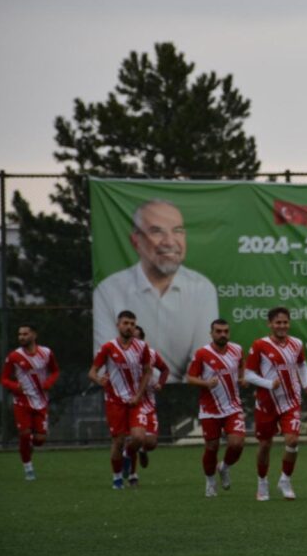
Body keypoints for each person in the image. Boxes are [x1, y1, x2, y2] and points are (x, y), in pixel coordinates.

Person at [93, 199, 218, 382]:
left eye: (177, 231)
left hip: (185, 401)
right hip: (130, 397)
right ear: (135, 241)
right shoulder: (108, 291)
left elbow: (203, 364)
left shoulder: (202, 289)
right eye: (156, 231)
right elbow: (107, 362)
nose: (169, 242)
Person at [244, 307, 307, 502]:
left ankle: (285, 479)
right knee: (265, 445)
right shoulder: (259, 345)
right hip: (267, 403)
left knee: (292, 441)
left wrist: (305, 383)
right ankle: (262, 482)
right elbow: (248, 374)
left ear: (289, 323)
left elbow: (301, 364)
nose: (282, 326)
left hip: (291, 401)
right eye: (278, 322)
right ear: (270, 324)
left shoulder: (297, 343)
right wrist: (268, 384)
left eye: (285, 322)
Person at [89, 311, 153, 490]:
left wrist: (139, 395)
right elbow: (92, 372)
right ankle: (117, 478)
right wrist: (98, 380)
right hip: (115, 401)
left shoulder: (142, 347)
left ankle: (127, 453)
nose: (129, 326)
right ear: (118, 325)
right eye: (126, 323)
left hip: (135, 401)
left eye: (132, 323)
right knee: (117, 441)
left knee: (139, 438)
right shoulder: (108, 347)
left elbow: (147, 371)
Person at [186, 319, 246, 498]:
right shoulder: (203, 353)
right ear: (211, 333)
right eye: (218, 331)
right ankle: (210, 481)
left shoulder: (237, 350)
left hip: (233, 407)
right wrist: (205, 383)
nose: (222, 335)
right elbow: (190, 378)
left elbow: (242, 364)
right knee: (212, 447)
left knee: (237, 443)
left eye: (226, 331)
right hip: (210, 409)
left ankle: (224, 467)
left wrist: (241, 378)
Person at [0, 324, 60, 481]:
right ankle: (28, 468)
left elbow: (55, 371)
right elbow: (4, 379)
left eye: (25, 334)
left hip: (41, 401)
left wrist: (49, 383)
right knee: (25, 434)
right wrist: (15, 386)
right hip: (22, 401)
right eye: (20, 334)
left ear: (34, 335)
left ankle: (28, 447)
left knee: (39, 440)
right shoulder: (14, 356)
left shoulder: (46, 353)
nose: (21, 337)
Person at [125, 325, 170, 486]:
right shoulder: (122, 354)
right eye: (132, 338)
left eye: (137, 338)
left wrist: (160, 384)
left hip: (148, 403)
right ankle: (132, 474)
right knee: (135, 438)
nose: (134, 341)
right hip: (131, 403)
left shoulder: (150, 354)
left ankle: (143, 451)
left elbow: (165, 369)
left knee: (150, 443)